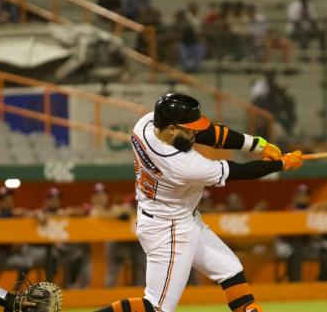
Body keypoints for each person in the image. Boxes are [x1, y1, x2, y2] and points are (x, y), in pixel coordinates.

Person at [91, 93, 303, 312]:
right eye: (189, 128)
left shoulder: (145, 125)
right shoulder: (182, 165)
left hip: (178, 217)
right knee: (157, 306)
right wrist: (281, 165)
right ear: (171, 128)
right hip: (169, 229)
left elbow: (209, 134)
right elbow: (240, 172)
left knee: (230, 271)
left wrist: (256, 144)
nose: (195, 132)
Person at [0, 188, 39, 285]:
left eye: (10, 200)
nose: (9, 202)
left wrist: (37, 215)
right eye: (5, 200)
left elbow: (31, 215)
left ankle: (17, 288)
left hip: (7, 255)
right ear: (0, 203)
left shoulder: (17, 217)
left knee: (27, 262)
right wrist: (12, 213)